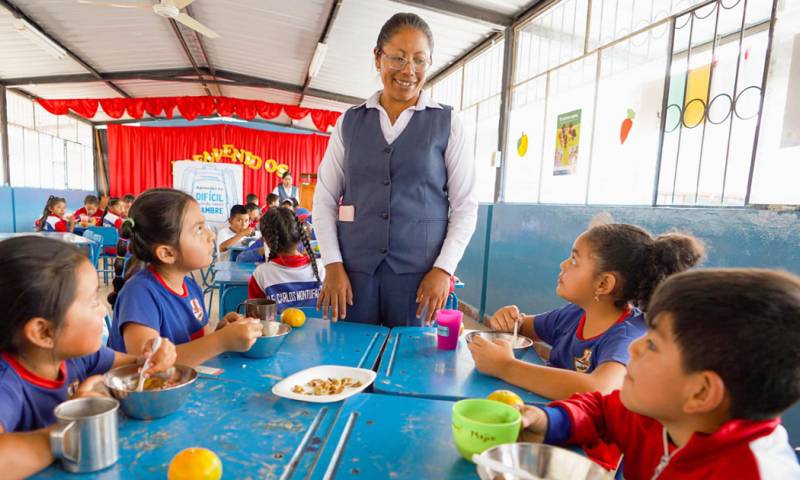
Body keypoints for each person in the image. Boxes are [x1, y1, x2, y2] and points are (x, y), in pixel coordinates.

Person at [518, 269, 800, 479]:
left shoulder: (753, 472)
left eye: (653, 344)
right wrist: (547, 419)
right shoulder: (657, 412)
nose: (635, 346)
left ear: (701, 392)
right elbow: (601, 411)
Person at [313, 13, 477, 326]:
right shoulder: (349, 122)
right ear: (378, 58)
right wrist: (332, 263)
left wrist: (443, 269)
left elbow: (465, 205)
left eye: (419, 60)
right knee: (349, 367)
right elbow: (324, 198)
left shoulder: (448, 123)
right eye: (398, 58)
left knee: (409, 369)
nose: (408, 71)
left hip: (420, 279)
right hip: (353, 275)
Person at [0, 237, 176, 478]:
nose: (103, 309)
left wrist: (156, 354)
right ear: (44, 332)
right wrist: (75, 428)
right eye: (93, 301)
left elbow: (136, 365)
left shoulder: (76, 357)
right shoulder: (7, 382)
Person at [469, 224, 704, 400]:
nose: (563, 265)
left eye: (574, 260)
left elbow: (600, 388)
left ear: (603, 285)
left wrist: (506, 367)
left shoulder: (627, 336)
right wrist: (509, 319)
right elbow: (521, 327)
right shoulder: (574, 315)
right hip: (549, 417)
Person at [108, 189, 262, 367]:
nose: (211, 235)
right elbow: (147, 366)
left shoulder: (190, 286)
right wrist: (220, 341)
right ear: (167, 253)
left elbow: (199, 342)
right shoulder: (139, 294)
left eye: (204, 226)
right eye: (198, 229)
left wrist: (223, 332)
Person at [248, 207, 324, 313]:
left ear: (266, 240)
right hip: (321, 329)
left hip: (278, 329)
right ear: (299, 234)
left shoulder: (261, 273)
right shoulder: (323, 268)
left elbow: (255, 317)